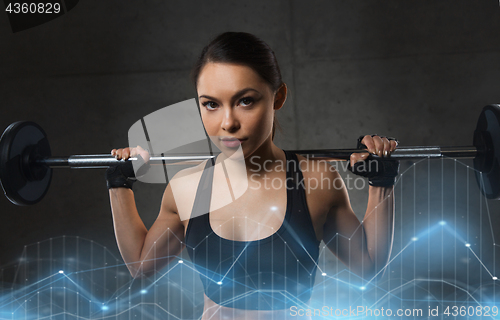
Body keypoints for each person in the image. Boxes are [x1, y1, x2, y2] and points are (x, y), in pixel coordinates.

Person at [106, 32, 399, 320]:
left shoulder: (315, 181)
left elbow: (368, 267)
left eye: (245, 101)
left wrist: (381, 182)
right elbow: (142, 267)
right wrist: (119, 183)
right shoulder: (187, 187)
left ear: (278, 97)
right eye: (211, 104)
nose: (228, 123)